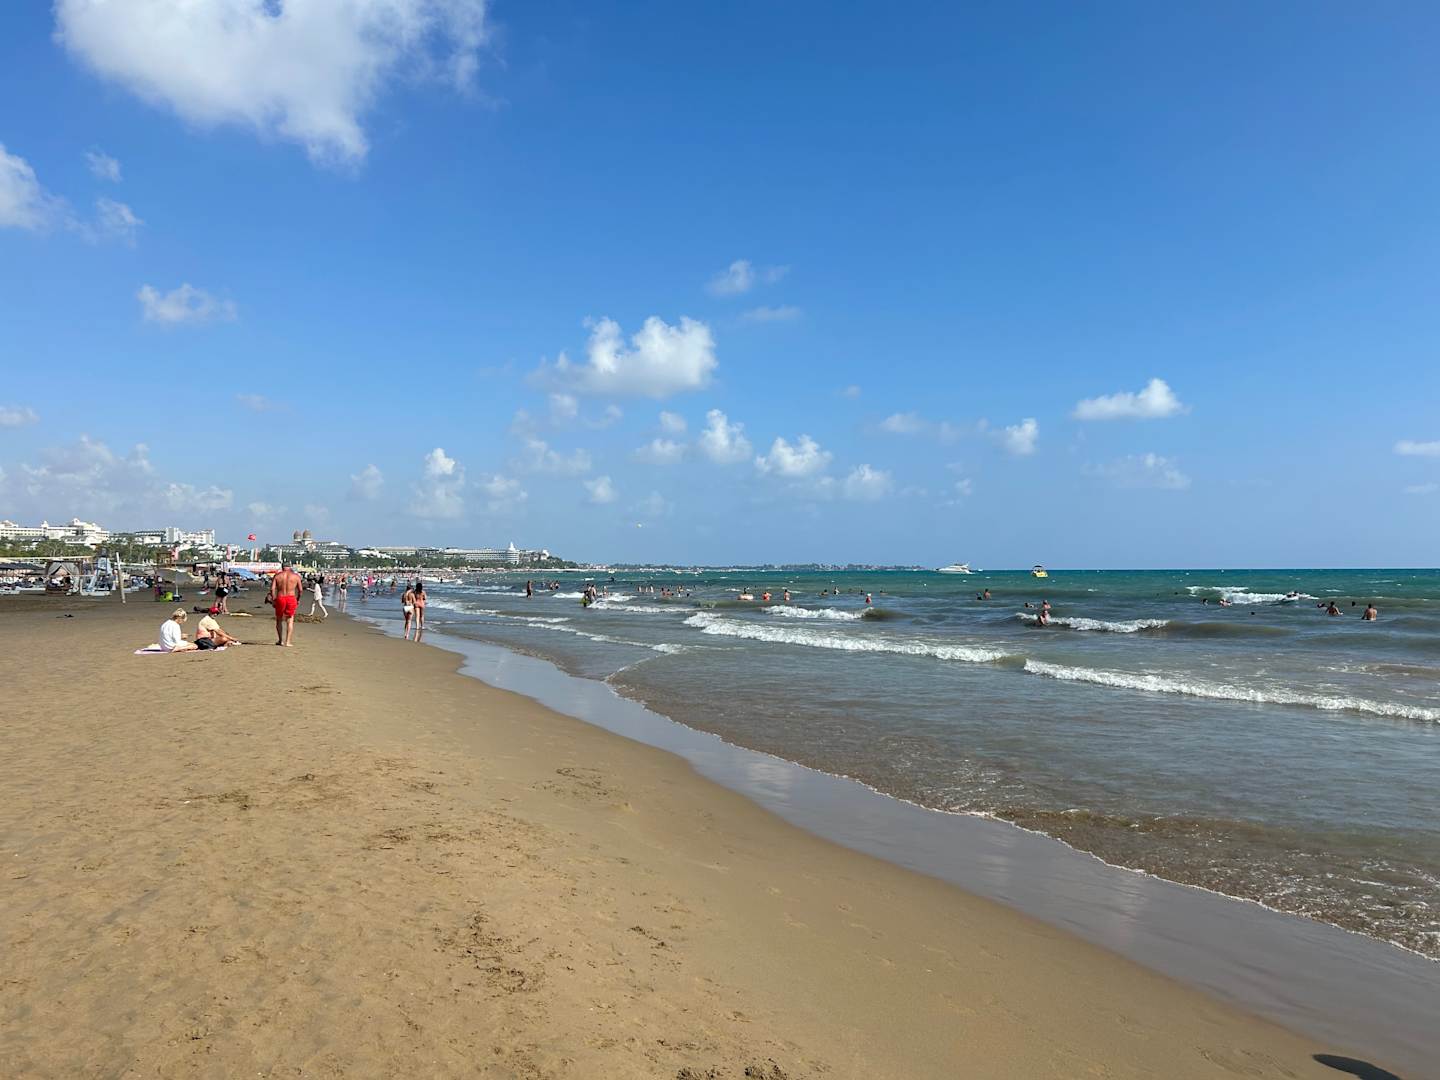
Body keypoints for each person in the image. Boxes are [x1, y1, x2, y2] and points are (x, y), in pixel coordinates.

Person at [268, 563, 303, 646]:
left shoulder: (277, 576)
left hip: (280, 597)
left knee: (279, 619)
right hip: (291, 597)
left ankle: (280, 640)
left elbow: (272, 589)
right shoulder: (296, 576)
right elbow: (300, 590)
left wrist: (274, 599)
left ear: (282, 567)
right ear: (290, 567)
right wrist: (298, 599)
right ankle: (288, 642)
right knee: (290, 620)